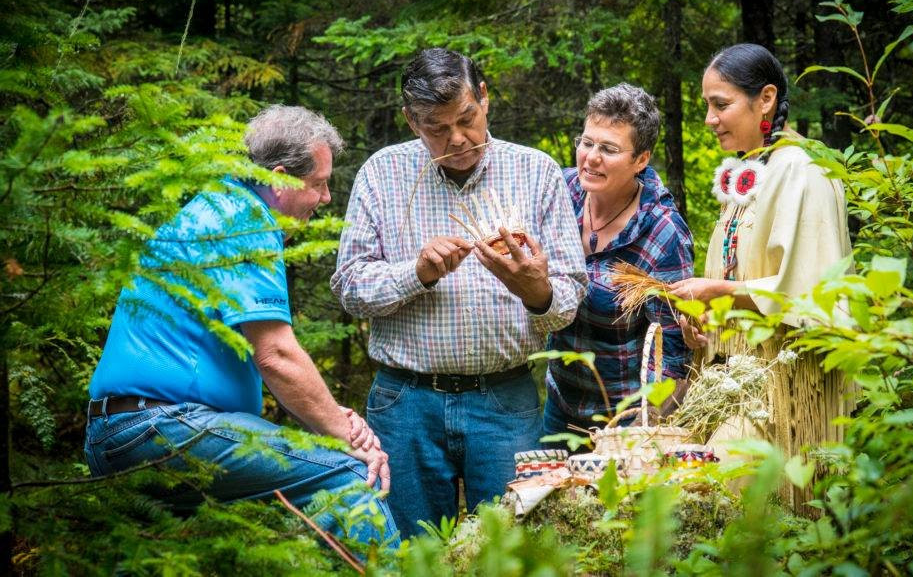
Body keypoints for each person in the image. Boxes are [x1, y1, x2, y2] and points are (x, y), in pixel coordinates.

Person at [85, 105, 397, 545]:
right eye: (318, 184)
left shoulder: (218, 208)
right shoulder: (243, 222)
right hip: (162, 427)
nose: (326, 198)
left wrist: (329, 415)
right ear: (281, 179)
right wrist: (346, 435)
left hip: (125, 430)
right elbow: (277, 356)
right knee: (347, 474)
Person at [330, 48, 587, 536]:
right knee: (410, 550)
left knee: (513, 547)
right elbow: (350, 288)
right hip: (405, 402)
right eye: (437, 128)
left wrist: (536, 292)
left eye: (466, 119)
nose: (457, 139)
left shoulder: (535, 172)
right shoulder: (382, 173)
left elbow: (570, 296)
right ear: (411, 121)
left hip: (505, 399)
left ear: (484, 98)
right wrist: (416, 274)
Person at [667, 43, 853, 510]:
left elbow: (814, 294)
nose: (709, 119)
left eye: (720, 104)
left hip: (786, 387)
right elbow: (741, 278)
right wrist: (705, 325)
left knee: (714, 498)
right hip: (737, 383)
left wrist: (718, 290)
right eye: (707, 105)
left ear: (765, 99)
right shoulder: (752, 170)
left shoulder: (804, 170)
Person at [544, 84, 694, 442]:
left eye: (609, 149)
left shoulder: (663, 232)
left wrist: (639, 431)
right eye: (587, 143)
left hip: (624, 419)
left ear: (640, 160)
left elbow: (672, 352)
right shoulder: (561, 192)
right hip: (560, 402)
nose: (591, 158)